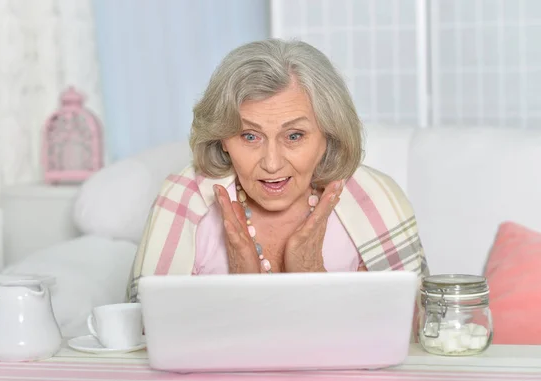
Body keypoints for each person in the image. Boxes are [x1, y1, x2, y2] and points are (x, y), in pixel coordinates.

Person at [127, 38, 428, 302]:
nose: (271, 163)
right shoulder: (184, 197)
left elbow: (417, 331)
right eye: (249, 136)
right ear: (223, 140)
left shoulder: (376, 199)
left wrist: (312, 277)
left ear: (329, 135)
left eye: (294, 136)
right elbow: (143, 332)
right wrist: (240, 291)